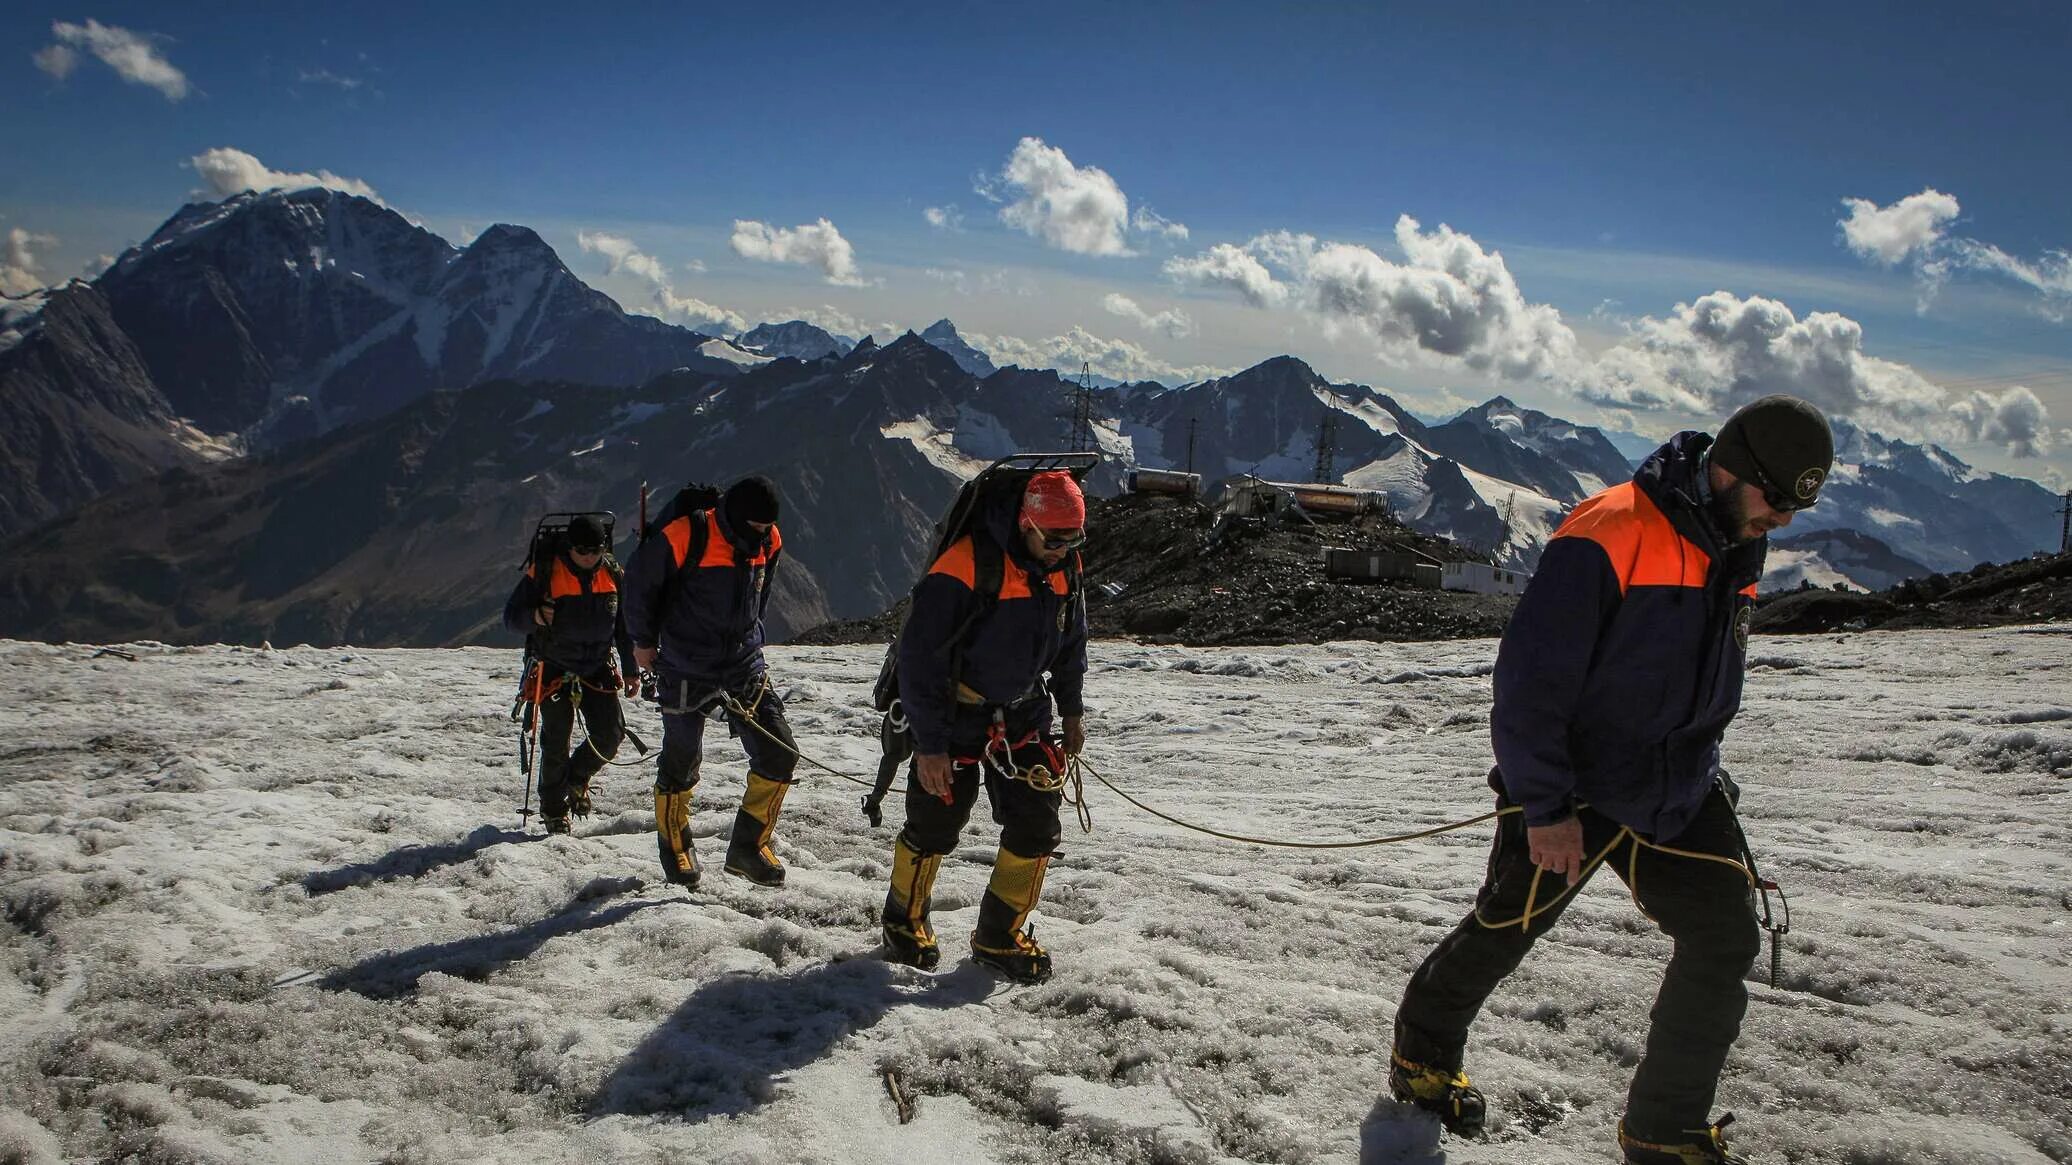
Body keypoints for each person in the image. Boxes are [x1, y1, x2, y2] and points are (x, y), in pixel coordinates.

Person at [1387, 395, 1834, 1165]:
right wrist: (1545, 804)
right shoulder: (1610, 529)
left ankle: (1662, 1129)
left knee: (1725, 935)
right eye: (1777, 499)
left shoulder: (1735, 540)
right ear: (1733, 470)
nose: (1783, 521)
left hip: (1677, 787)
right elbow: (1530, 681)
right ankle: (1422, 1058)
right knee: (1506, 923)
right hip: (1574, 790)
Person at [879, 469, 1090, 984]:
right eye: (1055, 538)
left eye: (1073, 538)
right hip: (953, 719)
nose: (1064, 549)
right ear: (1025, 523)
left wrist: (1072, 711)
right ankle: (903, 922)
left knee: (1037, 825)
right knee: (934, 824)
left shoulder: (1063, 568)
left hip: (1023, 715)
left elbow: (1070, 643)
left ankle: (999, 936)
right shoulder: (964, 566)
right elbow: (920, 661)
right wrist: (929, 746)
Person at [623, 475, 796, 890]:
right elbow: (638, 587)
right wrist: (643, 644)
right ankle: (675, 849)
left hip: (742, 665)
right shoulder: (687, 534)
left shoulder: (769, 539)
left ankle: (748, 848)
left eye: (765, 528)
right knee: (681, 761)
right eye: (753, 528)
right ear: (732, 516)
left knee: (780, 753)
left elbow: (762, 590)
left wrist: (753, 638)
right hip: (684, 664)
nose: (760, 536)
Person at [502, 514, 636, 835]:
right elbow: (511, 617)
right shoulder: (545, 573)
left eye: (596, 550)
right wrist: (535, 616)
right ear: (570, 548)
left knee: (610, 734)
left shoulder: (613, 573)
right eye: (583, 551)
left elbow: (624, 627)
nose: (590, 557)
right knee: (556, 742)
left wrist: (631, 670)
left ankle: (576, 777)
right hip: (553, 667)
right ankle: (553, 809)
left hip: (597, 666)